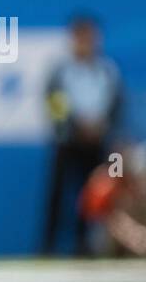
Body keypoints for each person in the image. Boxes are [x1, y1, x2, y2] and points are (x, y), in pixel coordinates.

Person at [41, 14, 123, 255]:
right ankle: (48, 247)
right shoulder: (61, 71)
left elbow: (116, 104)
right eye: (80, 36)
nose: (86, 42)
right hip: (67, 142)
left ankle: (85, 246)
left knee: (93, 196)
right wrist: (75, 125)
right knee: (58, 196)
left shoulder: (107, 71)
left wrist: (102, 126)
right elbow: (54, 103)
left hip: (97, 143)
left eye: (90, 36)